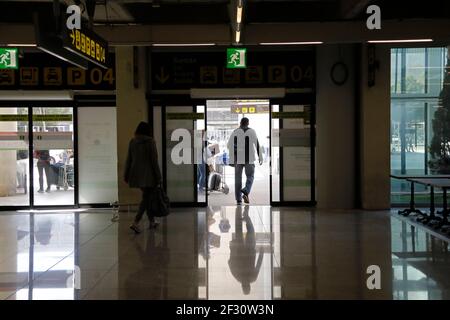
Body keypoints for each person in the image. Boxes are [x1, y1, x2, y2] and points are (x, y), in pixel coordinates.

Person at [125, 122, 163, 234]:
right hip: (149, 176)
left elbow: (129, 160)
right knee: (146, 199)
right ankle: (135, 222)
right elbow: (154, 161)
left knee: (147, 198)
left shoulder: (132, 142)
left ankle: (152, 221)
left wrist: (126, 175)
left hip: (136, 175)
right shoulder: (150, 142)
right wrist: (159, 177)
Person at [228, 205, 264, 295]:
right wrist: (232, 249)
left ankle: (246, 217)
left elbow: (259, 264)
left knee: (251, 231)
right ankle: (240, 212)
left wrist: (261, 253)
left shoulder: (253, 278)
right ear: (242, 287)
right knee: (239, 229)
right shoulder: (237, 276)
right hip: (239, 250)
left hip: (250, 250)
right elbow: (230, 262)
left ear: (249, 287)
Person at [227, 117, 263, 205]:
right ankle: (246, 190)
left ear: (240, 123)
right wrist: (260, 156)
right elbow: (257, 144)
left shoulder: (235, 132)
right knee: (250, 176)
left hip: (238, 158)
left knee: (238, 178)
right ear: (248, 123)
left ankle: (238, 199)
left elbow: (229, 145)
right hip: (249, 158)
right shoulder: (251, 131)